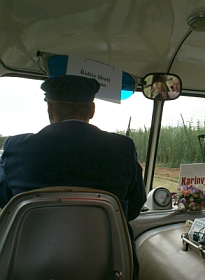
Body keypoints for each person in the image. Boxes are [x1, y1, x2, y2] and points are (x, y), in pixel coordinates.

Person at [0, 75, 146, 280]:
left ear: (50, 110)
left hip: (29, 271)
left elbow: (6, 206)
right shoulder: (122, 149)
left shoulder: (16, 148)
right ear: (92, 111)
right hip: (110, 269)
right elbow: (132, 211)